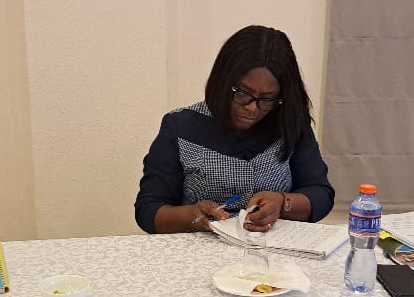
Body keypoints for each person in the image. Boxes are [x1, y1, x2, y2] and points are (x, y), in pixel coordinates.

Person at [135, 25, 335, 234]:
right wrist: (192, 216)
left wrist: (282, 202)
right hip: (201, 246)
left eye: (267, 99)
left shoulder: (290, 124)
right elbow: (148, 211)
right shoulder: (181, 127)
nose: (252, 108)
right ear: (222, 82)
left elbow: (320, 194)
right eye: (242, 93)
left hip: (271, 247)